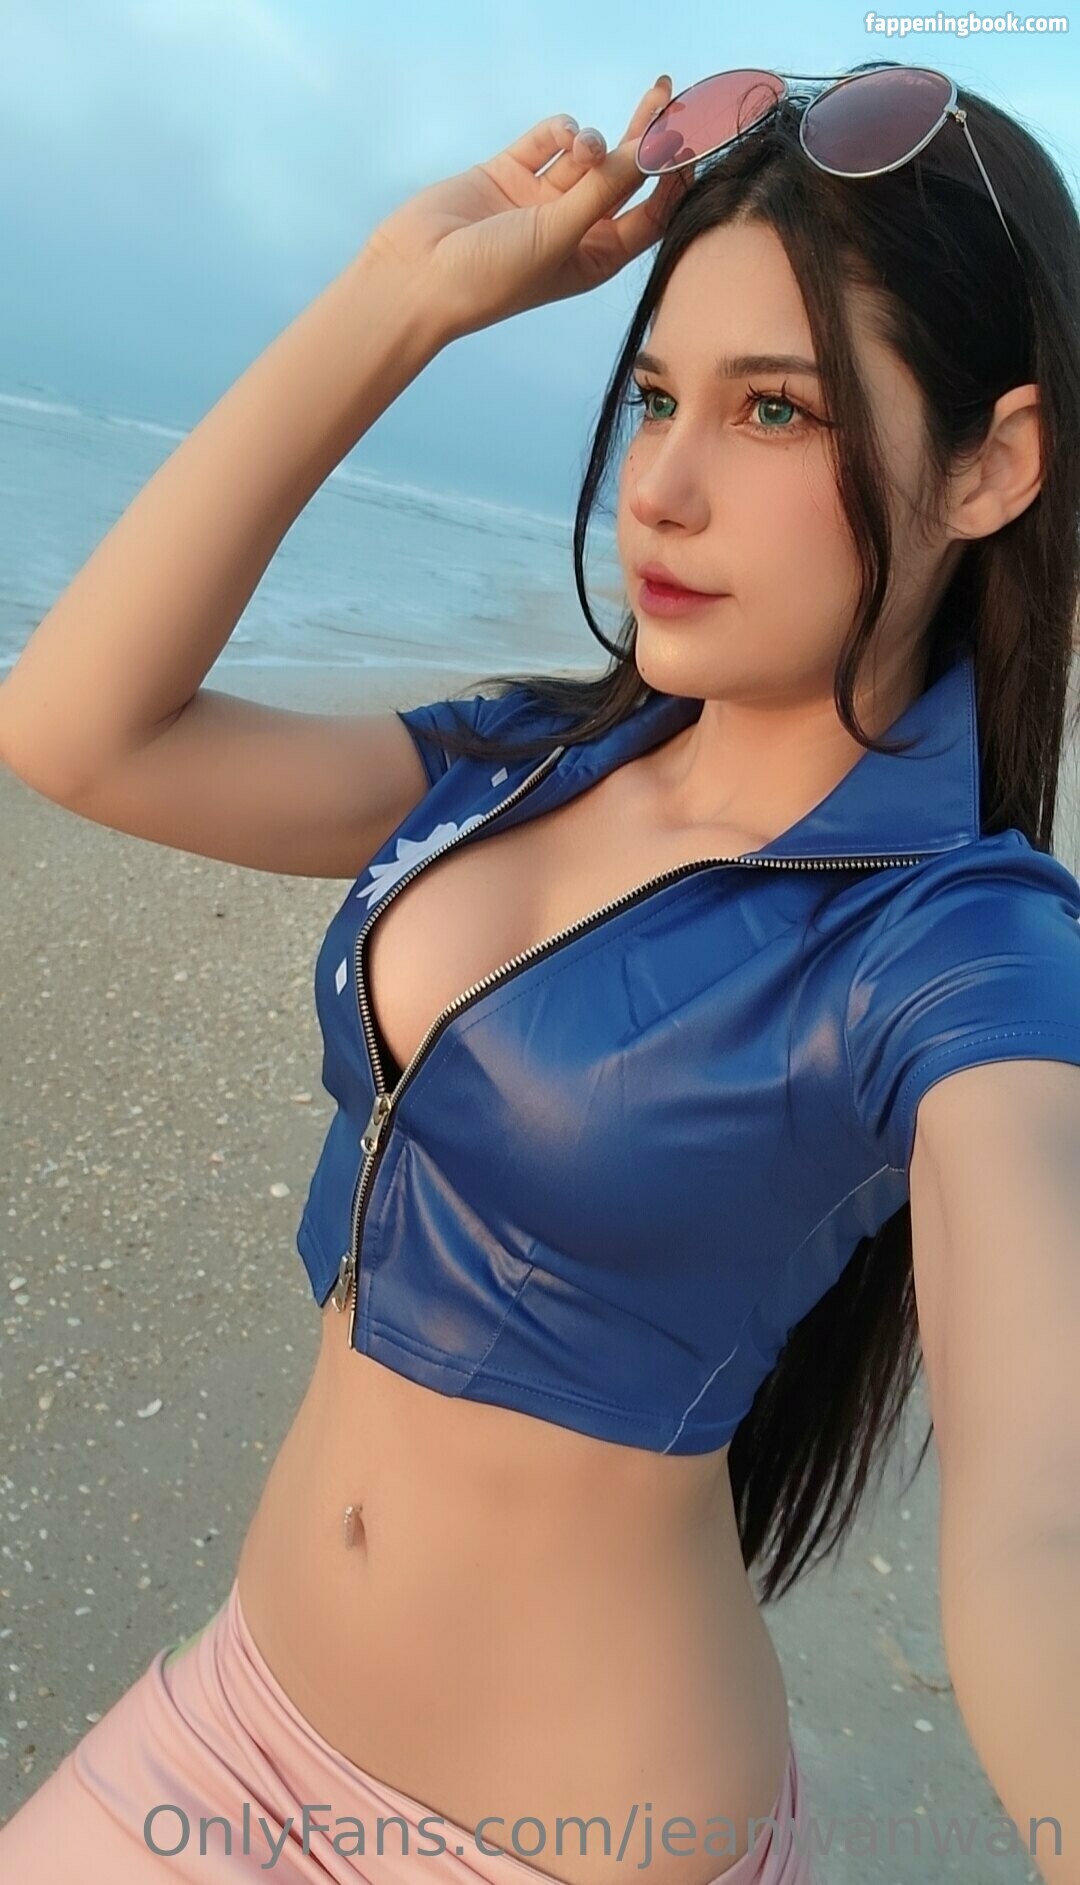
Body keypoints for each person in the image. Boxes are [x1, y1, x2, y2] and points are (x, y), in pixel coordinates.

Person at [2, 56, 1080, 1885]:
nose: (659, 486)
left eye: (773, 411)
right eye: (656, 396)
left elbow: (1043, 1514)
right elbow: (74, 727)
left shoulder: (958, 940)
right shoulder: (526, 761)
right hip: (234, 1722)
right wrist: (403, 294)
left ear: (991, 464)